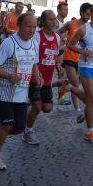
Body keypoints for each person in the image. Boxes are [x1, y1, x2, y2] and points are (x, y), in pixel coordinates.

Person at [0, 13, 42, 169]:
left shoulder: (34, 44)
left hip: (21, 93)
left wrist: (37, 76)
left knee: (19, 127)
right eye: (28, 26)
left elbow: (33, 64)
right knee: (7, 125)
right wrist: (8, 75)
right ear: (19, 25)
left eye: (34, 27)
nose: (32, 30)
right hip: (4, 92)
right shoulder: (8, 43)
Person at [67, 4, 93, 144]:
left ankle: (70, 88)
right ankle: (90, 131)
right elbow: (70, 45)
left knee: (90, 100)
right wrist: (83, 52)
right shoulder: (83, 29)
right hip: (86, 67)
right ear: (90, 13)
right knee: (91, 100)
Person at [22, 10, 62, 145]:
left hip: (48, 80)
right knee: (38, 107)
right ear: (43, 22)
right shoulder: (37, 36)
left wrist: (57, 65)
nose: (53, 21)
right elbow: (32, 57)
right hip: (35, 78)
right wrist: (36, 73)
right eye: (50, 19)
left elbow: (54, 54)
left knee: (47, 108)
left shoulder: (57, 37)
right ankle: (28, 132)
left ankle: (29, 101)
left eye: (54, 19)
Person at [58, 3, 91, 116]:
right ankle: (78, 111)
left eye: (90, 14)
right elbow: (58, 33)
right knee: (76, 84)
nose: (89, 16)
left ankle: (63, 84)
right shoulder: (71, 23)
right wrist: (59, 41)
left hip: (81, 60)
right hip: (69, 56)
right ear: (81, 12)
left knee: (74, 83)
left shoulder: (89, 28)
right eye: (87, 14)